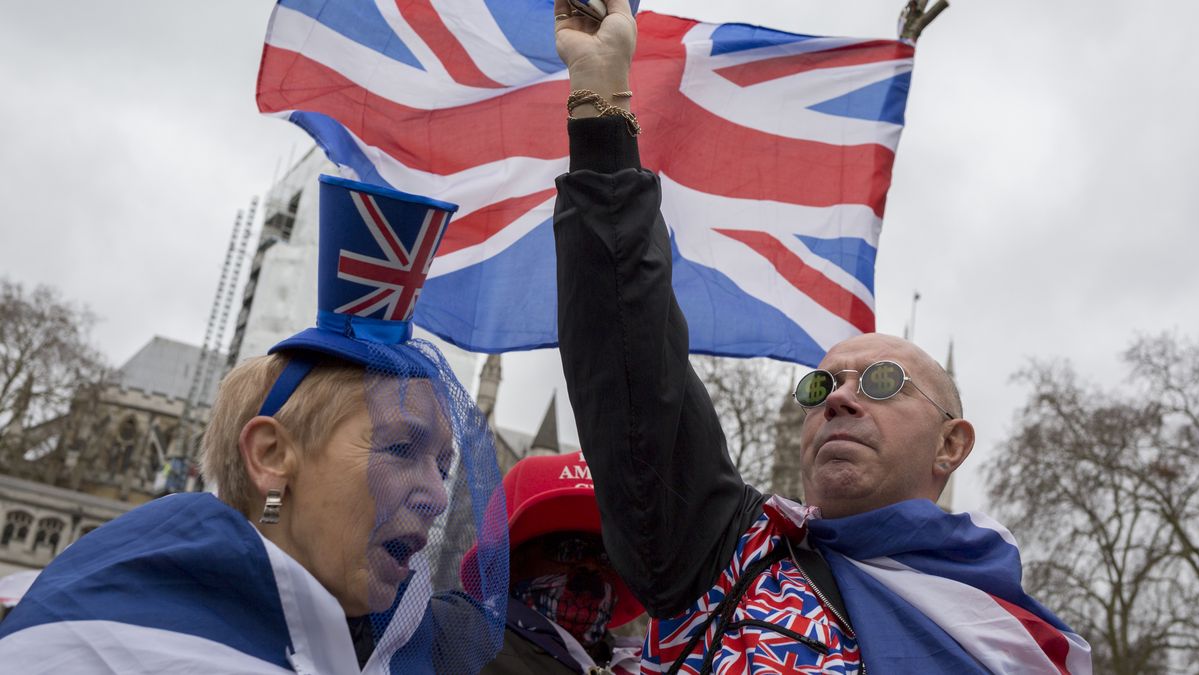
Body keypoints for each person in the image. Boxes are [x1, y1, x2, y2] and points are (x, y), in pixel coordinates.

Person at [551, 1, 1092, 673]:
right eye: (822, 384)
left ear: (951, 444)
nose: (838, 400)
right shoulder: (730, 551)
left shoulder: (1016, 644)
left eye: (884, 382)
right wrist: (602, 106)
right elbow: (632, 362)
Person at [0, 176, 509, 674]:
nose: (438, 498)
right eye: (400, 449)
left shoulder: (397, 649)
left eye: (442, 468)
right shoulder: (106, 647)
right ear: (269, 455)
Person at [473, 452, 643, 675]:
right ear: (515, 562)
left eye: (606, 557)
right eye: (569, 549)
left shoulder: (644, 663)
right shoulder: (463, 645)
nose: (592, 567)